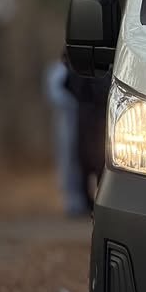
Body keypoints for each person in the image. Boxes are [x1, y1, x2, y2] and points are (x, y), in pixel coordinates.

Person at [44, 54, 89, 217]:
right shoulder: (57, 71)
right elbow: (55, 95)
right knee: (67, 160)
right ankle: (71, 201)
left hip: (84, 120)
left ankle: (83, 200)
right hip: (66, 121)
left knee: (82, 160)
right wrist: (74, 102)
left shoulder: (82, 70)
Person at [65, 65, 112, 212]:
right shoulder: (84, 69)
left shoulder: (84, 69)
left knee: (98, 162)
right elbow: (67, 84)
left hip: (95, 117)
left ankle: (97, 203)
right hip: (92, 118)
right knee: (89, 162)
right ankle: (89, 203)